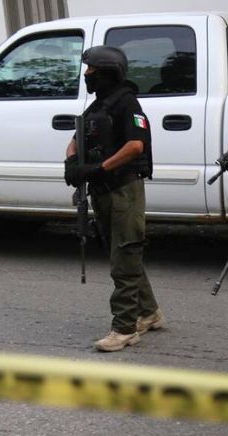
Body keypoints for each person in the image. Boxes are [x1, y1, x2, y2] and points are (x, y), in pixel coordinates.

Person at [64, 46, 162, 352]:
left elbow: (135, 146)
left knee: (125, 255)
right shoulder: (97, 107)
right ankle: (149, 312)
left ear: (106, 73)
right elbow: (75, 140)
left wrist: (96, 168)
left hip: (124, 189)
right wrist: (72, 164)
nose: (87, 75)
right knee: (121, 253)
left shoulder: (127, 104)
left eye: (91, 70)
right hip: (102, 191)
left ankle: (124, 328)